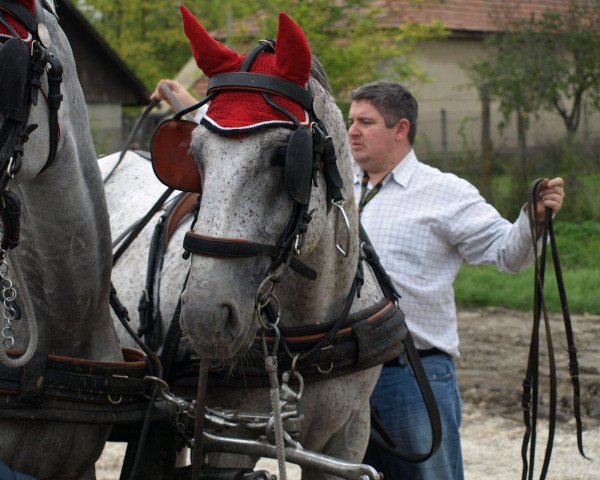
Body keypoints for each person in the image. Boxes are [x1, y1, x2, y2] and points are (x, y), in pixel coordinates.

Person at [347, 81, 565, 480]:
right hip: (340, 378)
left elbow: (506, 253)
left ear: (401, 129)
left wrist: (532, 220)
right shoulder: (335, 188)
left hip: (410, 375)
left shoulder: (444, 192)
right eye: (351, 121)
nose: (352, 132)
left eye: (366, 122)